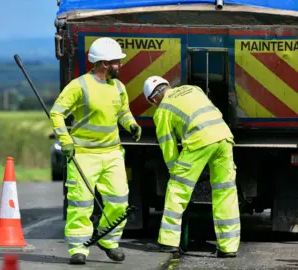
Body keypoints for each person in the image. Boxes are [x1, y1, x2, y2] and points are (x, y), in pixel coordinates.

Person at [49, 37, 142, 265]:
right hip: (83, 153)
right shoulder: (79, 86)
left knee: (119, 200)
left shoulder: (118, 87)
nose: (120, 66)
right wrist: (65, 140)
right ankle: (78, 248)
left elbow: (122, 112)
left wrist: (131, 124)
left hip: (112, 154)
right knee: (81, 203)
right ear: (103, 63)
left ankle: (108, 240)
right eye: (116, 62)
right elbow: (57, 113)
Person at [142, 76, 240, 258]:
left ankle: (168, 242)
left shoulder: (162, 110)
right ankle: (228, 247)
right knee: (225, 192)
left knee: (177, 190)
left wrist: (175, 173)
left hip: (199, 142)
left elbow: (167, 146)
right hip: (224, 137)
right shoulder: (193, 89)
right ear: (168, 85)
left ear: (154, 100)